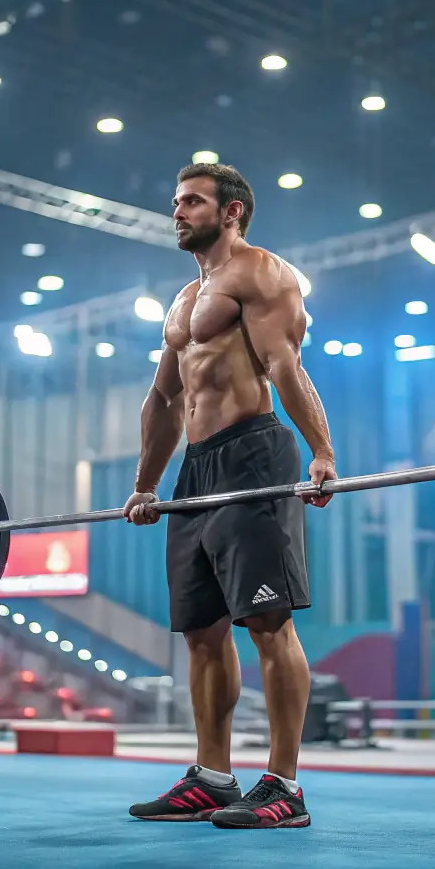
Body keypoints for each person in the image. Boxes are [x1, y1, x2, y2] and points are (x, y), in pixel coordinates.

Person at [122, 162, 335, 829]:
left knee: (268, 624)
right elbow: (163, 398)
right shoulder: (184, 300)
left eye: (191, 201)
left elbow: (283, 368)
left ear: (232, 211)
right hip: (195, 470)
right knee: (202, 632)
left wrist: (322, 451)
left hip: (252, 455)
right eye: (176, 200)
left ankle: (284, 785)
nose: (177, 212)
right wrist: (144, 484)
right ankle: (213, 777)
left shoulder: (262, 274)